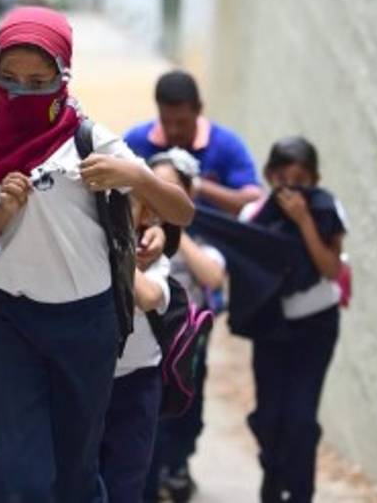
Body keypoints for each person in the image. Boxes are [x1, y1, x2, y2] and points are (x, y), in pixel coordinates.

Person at [0, 7, 194, 502]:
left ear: (62, 79)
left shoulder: (89, 138)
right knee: (18, 474)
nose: (21, 92)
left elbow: (182, 212)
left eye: (38, 81)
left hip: (87, 323)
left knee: (76, 472)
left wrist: (137, 177)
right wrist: (2, 212)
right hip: (11, 320)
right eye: (10, 79)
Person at [241, 137, 346, 503]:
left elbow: (330, 269)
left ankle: (301, 492)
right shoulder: (254, 216)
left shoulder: (327, 210)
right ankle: (273, 476)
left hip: (316, 326)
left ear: (314, 180)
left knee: (300, 418)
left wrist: (303, 221)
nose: (292, 186)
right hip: (270, 328)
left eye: (301, 178)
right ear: (270, 176)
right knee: (269, 417)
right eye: (283, 177)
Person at [142, 149, 227, 503]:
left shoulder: (202, 238)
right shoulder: (136, 230)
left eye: (172, 187)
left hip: (188, 344)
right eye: (154, 184)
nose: (161, 192)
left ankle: (176, 466)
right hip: (146, 343)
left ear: (188, 194)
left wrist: (177, 228)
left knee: (188, 413)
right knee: (152, 420)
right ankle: (157, 475)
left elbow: (213, 277)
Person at [123, 71, 262, 215]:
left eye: (182, 122)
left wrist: (198, 186)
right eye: (165, 121)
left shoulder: (227, 145)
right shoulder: (136, 141)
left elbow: (253, 204)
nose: (173, 131)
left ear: (199, 109)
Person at [98, 238, 171, 503]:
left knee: (125, 483)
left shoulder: (158, 263)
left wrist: (109, 242)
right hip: (87, 381)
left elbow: (148, 297)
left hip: (138, 384)